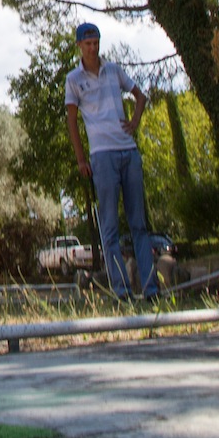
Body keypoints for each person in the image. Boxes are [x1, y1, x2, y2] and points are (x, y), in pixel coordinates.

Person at [64, 22, 159, 300]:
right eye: (88, 43)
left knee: (138, 223)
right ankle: (122, 289)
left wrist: (134, 121)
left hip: (128, 150)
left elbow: (139, 95)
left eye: (96, 43)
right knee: (109, 226)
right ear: (80, 46)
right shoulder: (74, 79)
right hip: (101, 155)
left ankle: (151, 288)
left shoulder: (114, 70)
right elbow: (71, 121)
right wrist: (81, 159)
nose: (93, 48)